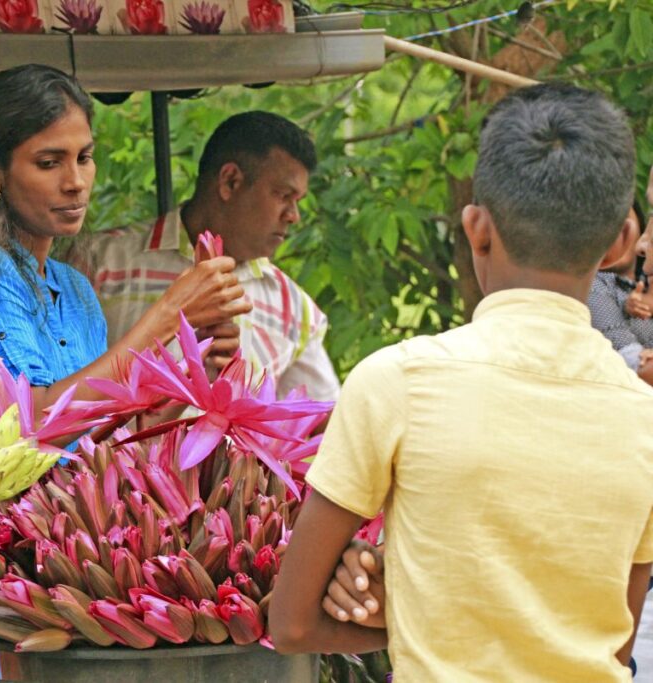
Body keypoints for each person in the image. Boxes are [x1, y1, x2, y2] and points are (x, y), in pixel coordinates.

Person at [269, 83, 653, 682]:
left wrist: (421, 609)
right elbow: (616, 647)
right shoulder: (645, 418)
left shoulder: (396, 383)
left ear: (476, 229)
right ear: (621, 243)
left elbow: (291, 625)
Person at [0, 64, 250, 678]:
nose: (76, 182)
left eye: (84, 157)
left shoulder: (74, 290)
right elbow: (27, 430)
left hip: (54, 574)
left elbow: (95, 438)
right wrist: (164, 317)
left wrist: (185, 374)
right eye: (49, 163)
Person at [87, 112, 340, 402]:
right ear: (230, 181)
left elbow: (324, 420)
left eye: (297, 202)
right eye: (283, 195)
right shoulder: (101, 262)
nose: (294, 216)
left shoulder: (292, 306)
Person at [588, 185, 653, 385]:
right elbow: (632, 361)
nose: (615, 237)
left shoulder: (647, 281)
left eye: (621, 226)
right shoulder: (594, 287)